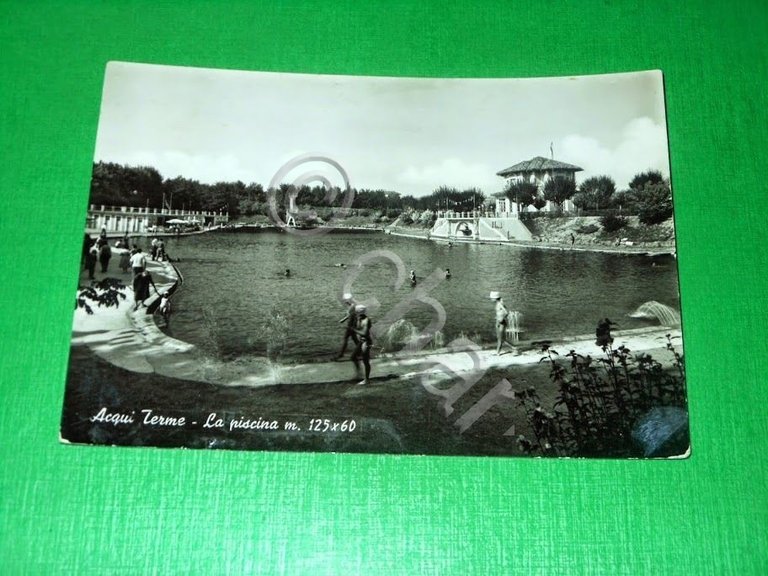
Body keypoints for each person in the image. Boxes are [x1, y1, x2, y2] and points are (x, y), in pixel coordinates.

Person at [351, 304, 372, 385]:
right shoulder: (359, 318)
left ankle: (366, 379)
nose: (355, 313)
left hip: (366, 342)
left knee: (365, 361)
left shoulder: (367, 320)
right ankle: (359, 374)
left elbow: (364, 333)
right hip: (361, 341)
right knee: (353, 357)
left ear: (359, 312)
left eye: (356, 312)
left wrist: (354, 330)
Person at [335, 293, 358, 360]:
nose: (345, 302)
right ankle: (362, 351)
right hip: (352, 327)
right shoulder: (352, 306)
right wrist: (343, 319)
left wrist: (350, 327)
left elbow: (353, 317)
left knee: (345, 339)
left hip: (350, 327)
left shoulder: (352, 307)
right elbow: (350, 316)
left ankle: (341, 354)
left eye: (346, 300)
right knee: (355, 340)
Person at [490, 291, 510, 355]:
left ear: (495, 298)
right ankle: (499, 350)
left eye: (492, 298)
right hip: (498, 322)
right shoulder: (498, 303)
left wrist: (501, 318)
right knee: (499, 337)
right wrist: (497, 318)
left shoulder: (500, 304)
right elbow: (499, 312)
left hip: (501, 323)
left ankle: (498, 352)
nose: (491, 299)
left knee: (500, 339)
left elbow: (506, 312)